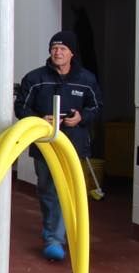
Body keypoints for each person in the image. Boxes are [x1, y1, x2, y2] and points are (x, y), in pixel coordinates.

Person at [14, 30, 102, 261]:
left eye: (63, 48)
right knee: (47, 189)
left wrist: (81, 117)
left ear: (72, 53)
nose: (58, 52)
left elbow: (96, 106)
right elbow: (21, 107)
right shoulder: (35, 79)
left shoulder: (86, 80)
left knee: (67, 189)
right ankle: (53, 230)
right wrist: (39, 120)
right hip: (44, 146)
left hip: (73, 145)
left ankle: (55, 238)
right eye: (54, 48)